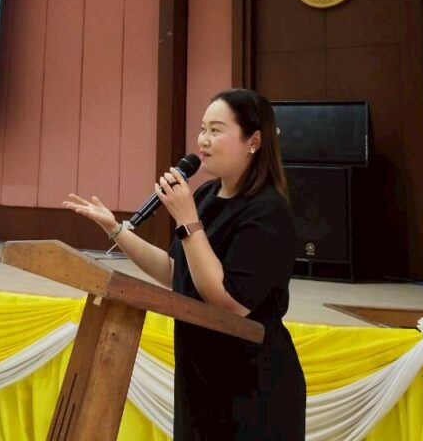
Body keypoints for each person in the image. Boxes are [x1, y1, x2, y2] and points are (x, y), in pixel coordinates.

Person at [63, 88, 306, 440]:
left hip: (252, 387)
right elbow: (174, 271)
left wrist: (188, 220)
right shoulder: (205, 195)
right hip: (199, 378)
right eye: (202, 129)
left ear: (253, 141)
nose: (203, 140)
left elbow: (229, 302)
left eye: (216, 130)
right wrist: (115, 228)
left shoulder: (268, 211)